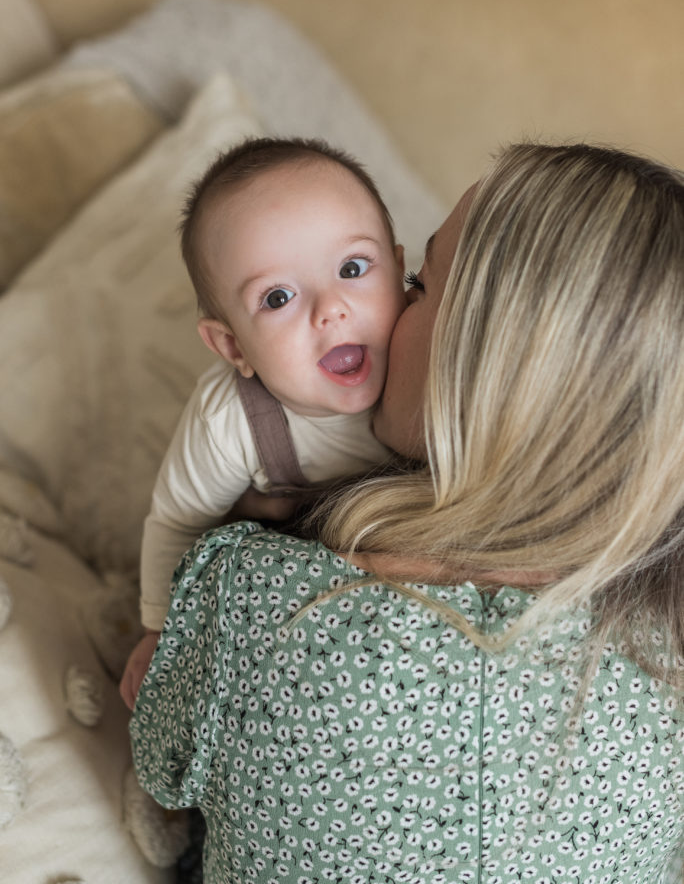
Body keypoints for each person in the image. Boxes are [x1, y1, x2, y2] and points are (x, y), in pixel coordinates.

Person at [129, 142, 684, 883]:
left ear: (485, 361)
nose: (346, 315)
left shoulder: (250, 596)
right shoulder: (665, 662)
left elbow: (160, 757)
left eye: (413, 284)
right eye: (279, 298)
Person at [119, 137, 406, 710]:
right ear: (232, 345)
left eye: (353, 268)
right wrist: (157, 630)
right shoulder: (234, 420)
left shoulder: (431, 364)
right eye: (277, 297)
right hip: (292, 613)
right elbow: (178, 521)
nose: (331, 308)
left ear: (401, 272)